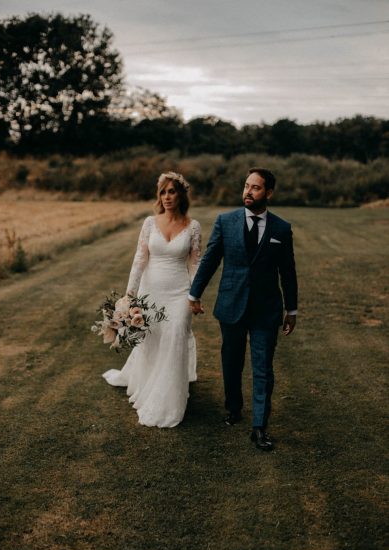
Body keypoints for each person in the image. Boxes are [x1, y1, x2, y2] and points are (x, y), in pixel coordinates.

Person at [189, 167, 298, 451]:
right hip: (231, 304)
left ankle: (260, 427)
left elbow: (288, 272)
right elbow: (211, 260)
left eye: (256, 188)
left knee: (263, 369)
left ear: (269, 193)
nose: (248, 192)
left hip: (266, 309)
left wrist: (292, 310)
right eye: (247, 186)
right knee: (232, 361)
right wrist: (195, 293)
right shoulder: (226, 221)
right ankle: (233, 407)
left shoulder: (281, 229)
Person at [103, 172, 202, 428]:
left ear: (181, 194)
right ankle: (149, 383)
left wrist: (195, 295)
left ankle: (171, 399)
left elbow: (195, 264)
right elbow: (139, 260)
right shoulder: (149, 223)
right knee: (153, 339)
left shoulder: (193, 226)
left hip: (180, 292)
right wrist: (129, 296)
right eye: (162, 192)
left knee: (177, 334)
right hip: (151, 292)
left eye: (171, 191)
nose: (167, 197)